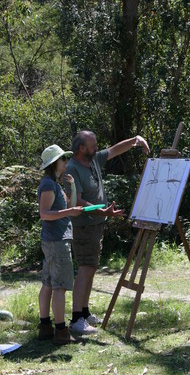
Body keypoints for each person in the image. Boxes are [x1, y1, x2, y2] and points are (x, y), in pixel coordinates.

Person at [64, 131, 150, 334]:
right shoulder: (72, 168)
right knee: (85, 269)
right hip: (83, 225)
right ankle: (76, 319)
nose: (96, 148)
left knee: (91, 268)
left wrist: (135, 140)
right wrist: (100, 210)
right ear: (82, 148)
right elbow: (75, 200)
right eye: (93, 145)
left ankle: (84, 313)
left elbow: (114, 150)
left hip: (96, 224)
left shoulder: (93, 159)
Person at [37, 144, 83, 345]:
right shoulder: (48, 184)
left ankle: (45, 327)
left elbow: (70, 206)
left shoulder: (55, 184)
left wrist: (71, 187)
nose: (66, 161)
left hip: (54, 240)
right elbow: (45, 214)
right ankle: (61, 331)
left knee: (48, 283)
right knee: (59, 287)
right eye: (63, 158)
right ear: (55, 163)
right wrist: (69, 213)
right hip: (56, 241)